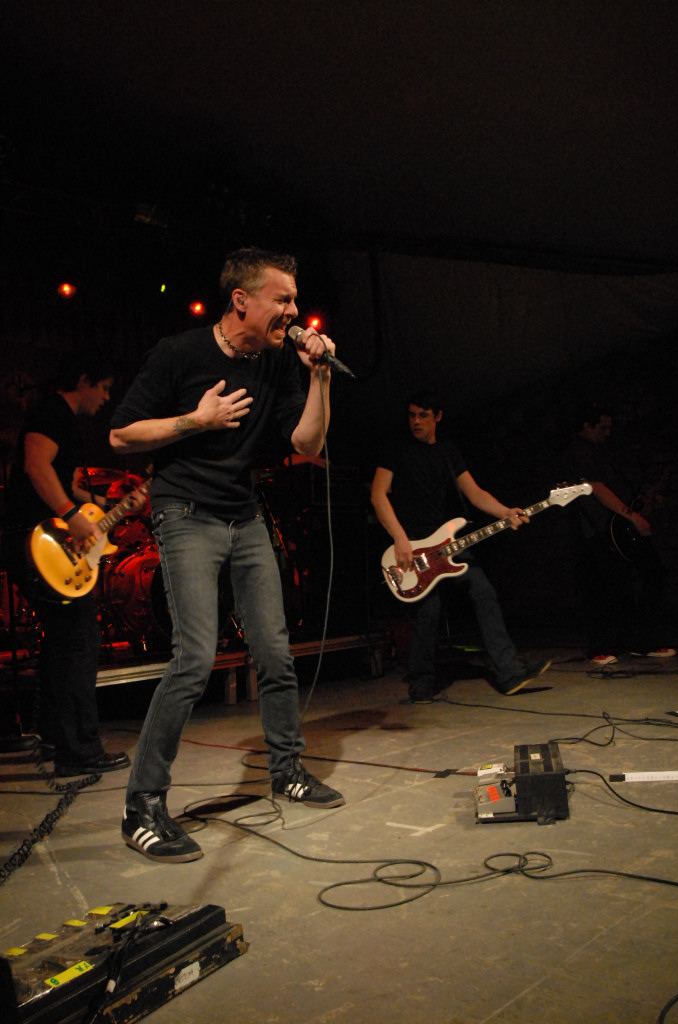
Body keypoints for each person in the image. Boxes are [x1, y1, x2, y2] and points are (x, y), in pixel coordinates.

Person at [109, 246, 345, 864]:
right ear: (241, 300)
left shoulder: (278, 361)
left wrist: (319, 375)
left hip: (245, 514)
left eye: (295, 299)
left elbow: (307, 442)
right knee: (193, 658)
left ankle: (287, 771)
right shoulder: (180, 353)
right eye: (283, 299)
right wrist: (196, 420)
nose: (293, 310)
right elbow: (121, 434)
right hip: (185, 513)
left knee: (275, 651)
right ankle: (142, 807)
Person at [371, 392, 551, 701]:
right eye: (412, 415)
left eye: (423, 415)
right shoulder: (396, 449)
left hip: (447, 542)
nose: (416, 421)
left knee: (483, 592)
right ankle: (421, 680)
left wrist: (505, 512)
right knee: (429, 610)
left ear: (438, 416)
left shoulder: (448, 451)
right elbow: (378, 494)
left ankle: (509, 674)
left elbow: (474, 493)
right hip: (410, 544)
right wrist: (399, 538)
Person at [1, 353, 133, 776]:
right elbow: (35, 465)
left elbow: (66, 485)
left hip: (38, 538)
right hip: (33, 538)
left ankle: (55, 738)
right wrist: (70, 515)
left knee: (63, 640)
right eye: (105, 388)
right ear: (84, 379)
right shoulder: (52, 410)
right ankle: (79, 750)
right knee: (79, 639)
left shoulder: (64, 419)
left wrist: (107, 504)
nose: (107, 398)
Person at [565, 401, 675, 667]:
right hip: (598, 529)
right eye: (602, 428)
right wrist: (633, 517)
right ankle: (601, 647)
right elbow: (597, 488)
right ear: (586, 426)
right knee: (605, 588)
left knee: (651, 574)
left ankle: (640, 640)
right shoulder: (579, 450)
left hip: (617, 526)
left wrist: (644, 506)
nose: (608, 433)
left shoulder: (602, 452)